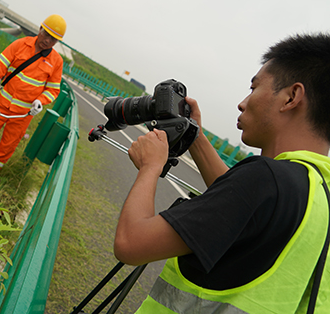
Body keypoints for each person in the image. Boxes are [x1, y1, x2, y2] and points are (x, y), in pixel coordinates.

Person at [114, 33, 330, 313]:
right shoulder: (317, 194)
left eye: (254, 88)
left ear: (291, 97)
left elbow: (131, 243)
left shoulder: (264, 179)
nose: (243, 103)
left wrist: (150, 167)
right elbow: (245, 211)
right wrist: (195, 137)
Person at [0, 14, 66, 177]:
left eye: (53, 39)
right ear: (40, 29)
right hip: (0, 104)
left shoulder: (56, 61)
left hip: (23, 115)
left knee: (6, 148)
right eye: (47, 35)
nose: (48, 41)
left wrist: (40, 101)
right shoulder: (20, 44)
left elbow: (53, 90)